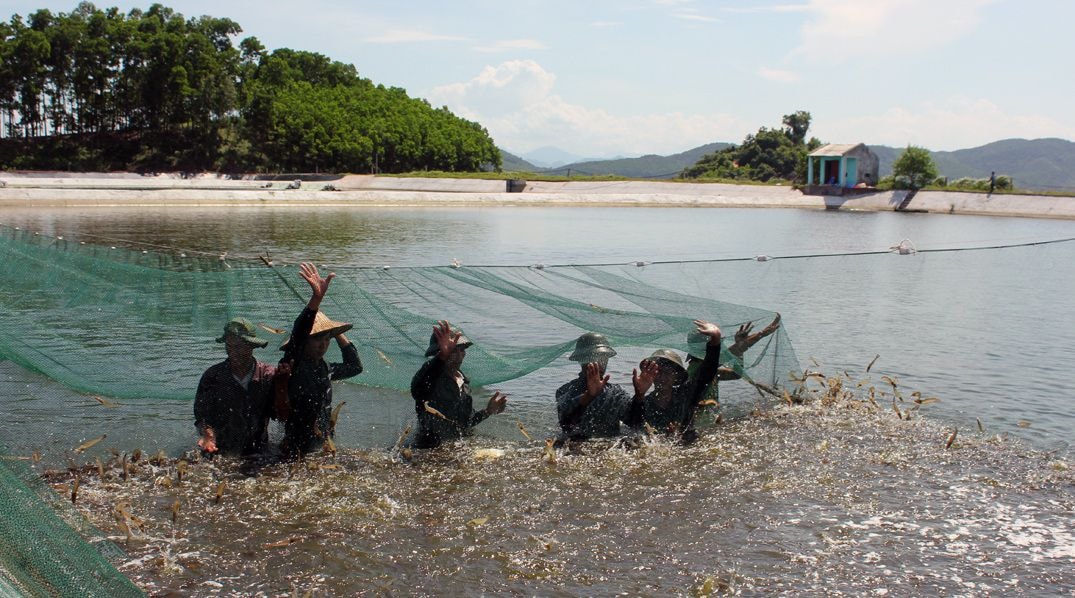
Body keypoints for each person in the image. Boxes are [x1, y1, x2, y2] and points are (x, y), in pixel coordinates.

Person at [276, 262, 363, 458]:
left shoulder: (325, 368)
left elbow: (354, 367)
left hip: (323, 443)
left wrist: (335, 332)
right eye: (317, 339)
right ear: (304, 342)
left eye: (327, 340)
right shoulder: (294, 363)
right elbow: (299, 333)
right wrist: (316, 299)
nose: (323, 344)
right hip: (297, 447)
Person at [409, 320, 507, 449]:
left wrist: (487, 411)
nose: (459, 355)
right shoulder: (429, 379)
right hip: (427, 450)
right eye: (453, 350)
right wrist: (441, 357)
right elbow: (417, 389)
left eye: (461, 350)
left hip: (454, 447)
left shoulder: (463, 383)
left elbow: (465, 422)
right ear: (438, 352)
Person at [627, 319, 723, 443]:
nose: (662, 376)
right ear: (651, 375)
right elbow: (633, 425)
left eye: (668, 372)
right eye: (658, 371)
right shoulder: (644, 403)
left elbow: (706, 374)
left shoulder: (686, 395)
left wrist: (715, 341)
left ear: (677, 376)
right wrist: (639, 395)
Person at [194, 318, 278, 457]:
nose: (232, 352)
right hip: (220, 449)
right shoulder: (213, 376)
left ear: (251, 346)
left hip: (258, 450)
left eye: (238, 347)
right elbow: (202, 415)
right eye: (229, 347)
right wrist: (208, 436)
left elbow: (279, 414)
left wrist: (282, 386)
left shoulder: (267, 375)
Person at [686, 313, 782, 411]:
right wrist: (761, 334)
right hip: (697, 422)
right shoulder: (699, 368)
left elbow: (736, 374)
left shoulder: (710, 370)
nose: (719, 348)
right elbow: (733, 351)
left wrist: (740, 349)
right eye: (715, 345)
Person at [556, 332, 633, 441]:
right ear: (581, 360)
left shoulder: (615, 392)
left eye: (602, 357)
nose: (598, 363)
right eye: (592, 357)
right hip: (577, 447)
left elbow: (635, 423)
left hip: (610, 446)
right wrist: (589, 396)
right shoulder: (565, 391)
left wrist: (640, 394)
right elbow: (566, 426)